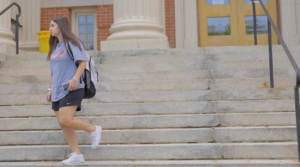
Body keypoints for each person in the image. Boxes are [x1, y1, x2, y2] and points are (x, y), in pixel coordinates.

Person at [46, 16, 101, 165]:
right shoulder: (55, 47)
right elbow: (54, 71)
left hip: (73, 87)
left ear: (61, 26)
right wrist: (50, 88)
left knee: (65, 119)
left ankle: (93, 129)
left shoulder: (72, 43)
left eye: (52, 25)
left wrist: (75, 79)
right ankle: (77, 155)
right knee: (63, 123)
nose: (49, 28)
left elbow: (82, 63)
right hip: (58, 90)